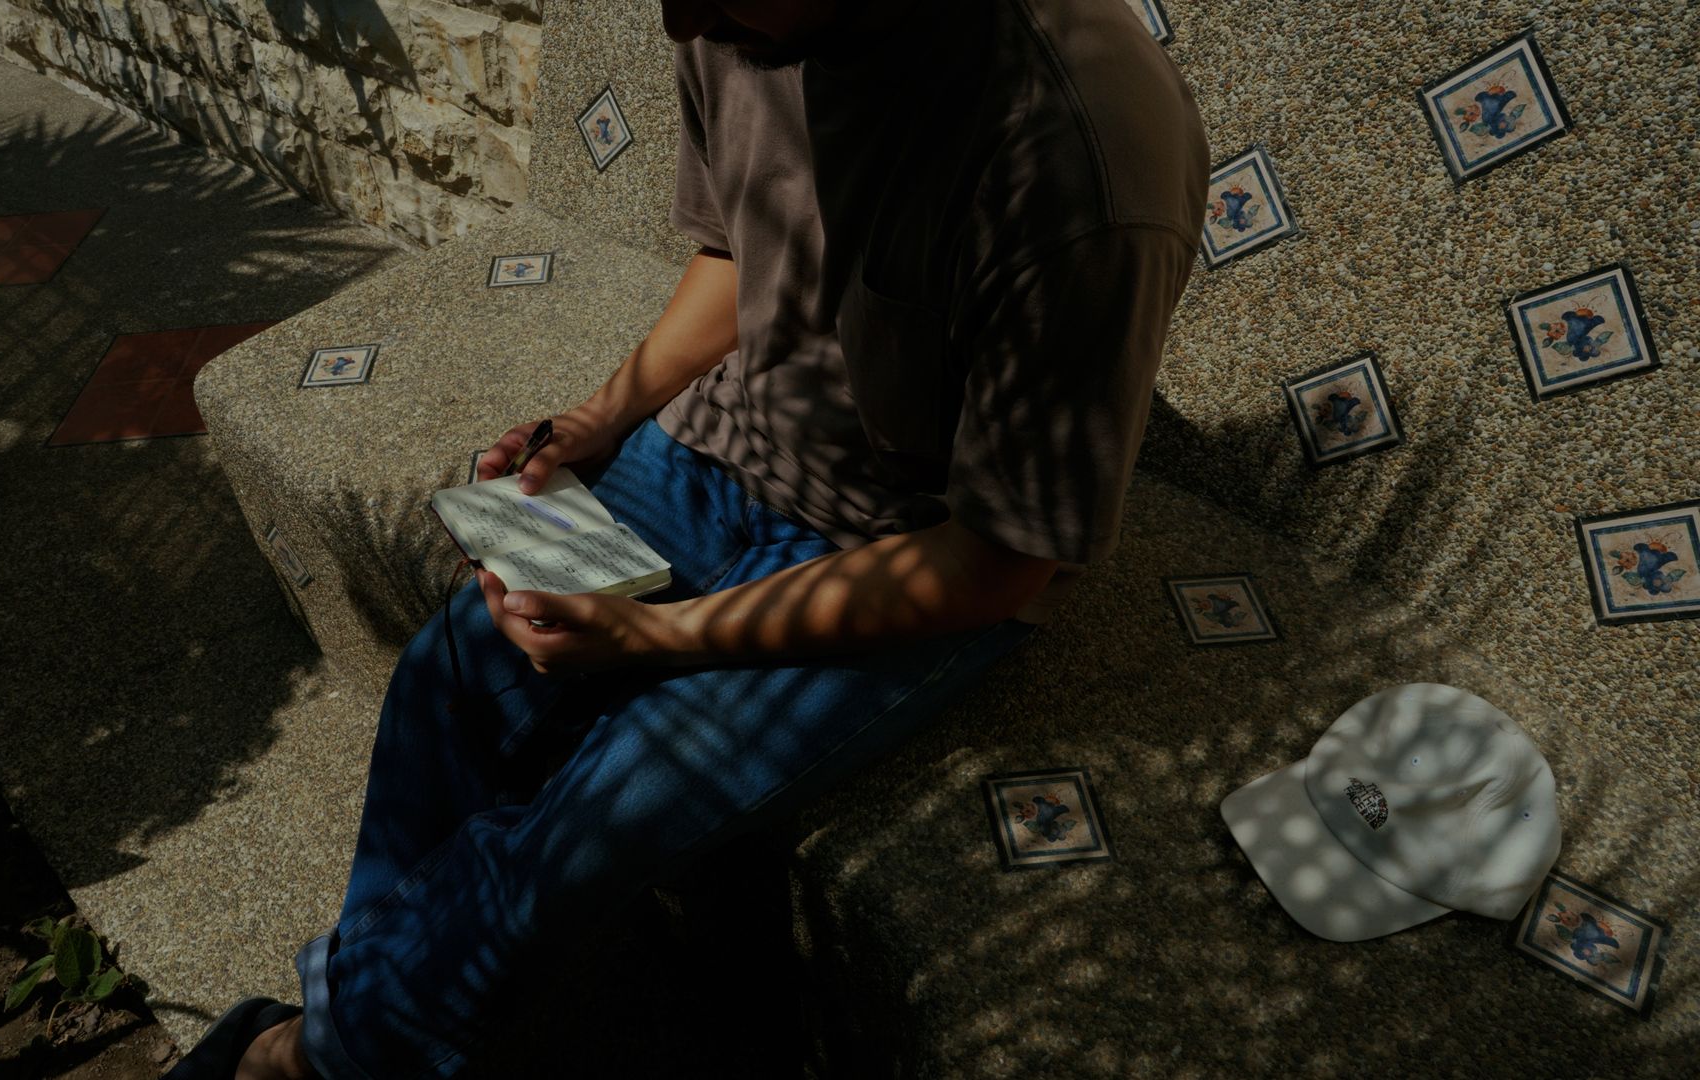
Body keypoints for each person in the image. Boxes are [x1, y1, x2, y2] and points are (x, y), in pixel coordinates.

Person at [169, 0, 1208, 1076]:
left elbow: (998, 561)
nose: (679, 21)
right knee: (449, 674)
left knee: (595, 817)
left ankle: (302, 1058)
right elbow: (737, 252)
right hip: (716, 444)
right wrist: (602, 413)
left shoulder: (1078, 158)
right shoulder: (740, 22)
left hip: (907, 546)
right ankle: (368, 1038)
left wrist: (655, 639)